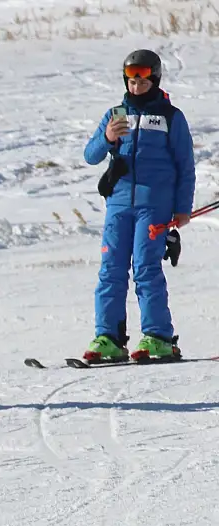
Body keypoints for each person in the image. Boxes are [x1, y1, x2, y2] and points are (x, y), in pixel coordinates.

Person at [82, 49, 194, 363]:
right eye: (130, 78)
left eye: (142, 77)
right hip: (118, 205)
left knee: (146, 268)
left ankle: (158, 337)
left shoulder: (172, 117)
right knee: (111, 271)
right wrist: (106, 138)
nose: (136, 84)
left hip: (154, 206)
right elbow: (90, 155)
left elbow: (185, 166)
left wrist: (182, 209)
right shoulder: (116, 114)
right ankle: (109, 338)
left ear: (154, 78)